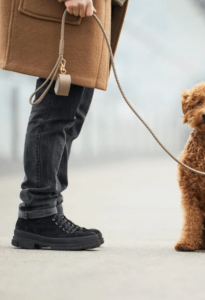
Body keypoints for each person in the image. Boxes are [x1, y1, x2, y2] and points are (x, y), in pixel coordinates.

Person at [6, 0, 128, 250]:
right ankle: (37, 213)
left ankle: (50, 209)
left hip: (92, 13)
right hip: (71, 9)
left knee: (72, 116)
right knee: (55, 113)